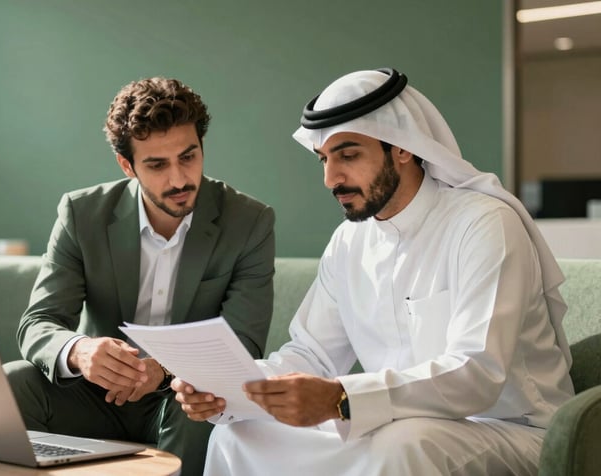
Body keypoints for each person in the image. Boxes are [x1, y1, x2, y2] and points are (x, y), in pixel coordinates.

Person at [172, 68, 574, 475]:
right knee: (239, 436)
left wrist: (341, 398)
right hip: (397, 424)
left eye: (348, 155)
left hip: (510, 430)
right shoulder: (350, 241)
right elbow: (311, 354)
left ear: (402, 146)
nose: (331, 178)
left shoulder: (484, 224)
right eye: (324, 159)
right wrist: (230, 391)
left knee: (403, 446)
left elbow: (477, 372)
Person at [4, 77, 275, 476]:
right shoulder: (82, 214)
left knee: (199, 403)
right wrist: (80, 352)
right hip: (93, 393)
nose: (179, 179)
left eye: (189, 157)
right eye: (157, 165)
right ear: (127, 165)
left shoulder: (249, 221)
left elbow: (244, 339)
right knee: (14, 383)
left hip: (182, 393)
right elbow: (38, 322)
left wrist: (163, 369)